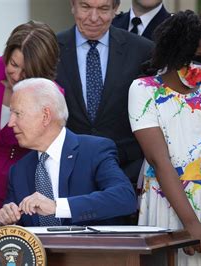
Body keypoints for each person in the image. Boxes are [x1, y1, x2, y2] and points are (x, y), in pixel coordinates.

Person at [128, 11, 201, 265]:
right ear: (174, 54)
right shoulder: (143, 90)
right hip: (165, 203)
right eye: (197, 59)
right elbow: (159, 161)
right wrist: (191, 224)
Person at [0, 78, 136, 227]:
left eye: (17, 113)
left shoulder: (94, 150)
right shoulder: (18, 171)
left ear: (46, 116)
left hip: (90, 249)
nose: (10, 123)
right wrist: (1, 220)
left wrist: (58, 207)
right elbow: (14, 225)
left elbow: (125, 197)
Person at [0, 21, 61, 224]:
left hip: (22, 195)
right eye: (13, 65)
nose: (16, 76)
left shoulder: (52, 96)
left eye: (27, 72)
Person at [56, 0, 153, 187]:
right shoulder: (52, 49)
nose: (94, 18)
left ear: (115, 9)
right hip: (64, 173)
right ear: (72, 6)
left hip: (124, 173)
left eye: (103, 9)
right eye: (85, 7)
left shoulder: (142, 51)